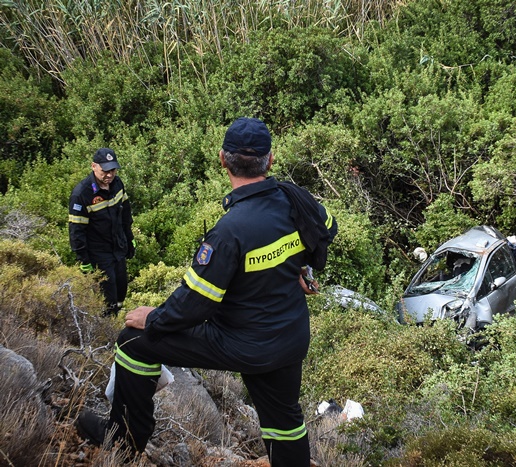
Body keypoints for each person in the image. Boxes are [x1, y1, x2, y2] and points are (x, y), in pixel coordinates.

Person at [76, 117, 337, 466]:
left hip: (242, 341)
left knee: (132, 343)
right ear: (270, 160)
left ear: (222, 159)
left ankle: (123, 442)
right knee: (285, 423)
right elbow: (326, 229)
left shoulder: (229, 232)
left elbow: (195, 303)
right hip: (289, 336)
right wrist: (300, 267)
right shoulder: (295, 200)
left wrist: (152, 317)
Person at [69, 148, 135, 316]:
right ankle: (106, 329)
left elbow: (126, 214)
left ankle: (116, 318)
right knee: (108, 297)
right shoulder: (82, 194)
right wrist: (83, 260)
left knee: (121, 290)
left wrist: (130, 239)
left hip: (118, 248)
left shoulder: (117, 184)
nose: (109, 174)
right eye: (105, 170)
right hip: (99, 254)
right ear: (94, 166)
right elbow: (77, 232)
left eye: (112, 170)